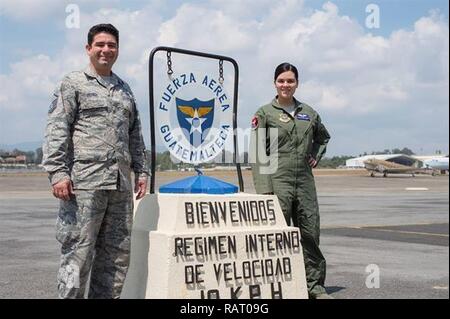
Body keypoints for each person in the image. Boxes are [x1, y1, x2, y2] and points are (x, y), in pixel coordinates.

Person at [42, 23, 149, 299]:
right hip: (84, 185)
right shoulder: (73, 83)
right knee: (77, 254)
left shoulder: (125, 90)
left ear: (118, 50)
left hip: (120, 186)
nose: (106, 50)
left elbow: (135, 133)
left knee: (115, 257)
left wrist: (142, 171)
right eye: (100, 44)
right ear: (88, 48)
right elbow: (57, 129)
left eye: (111, 45)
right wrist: (58, 173)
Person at [250, 62, 332, 299]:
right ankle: (276, 288)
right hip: (278, 180)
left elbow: (323, 137)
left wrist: (315, 156)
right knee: (277, 235)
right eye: (282, 81)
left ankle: (314, 287)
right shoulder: (264, 113)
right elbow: (258, 152)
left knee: (310, 233)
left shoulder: (309, 113)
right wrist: (264, 189)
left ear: (297, 83)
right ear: (275, 83)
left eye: (290, 81)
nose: (286, 85)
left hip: (304, 181)